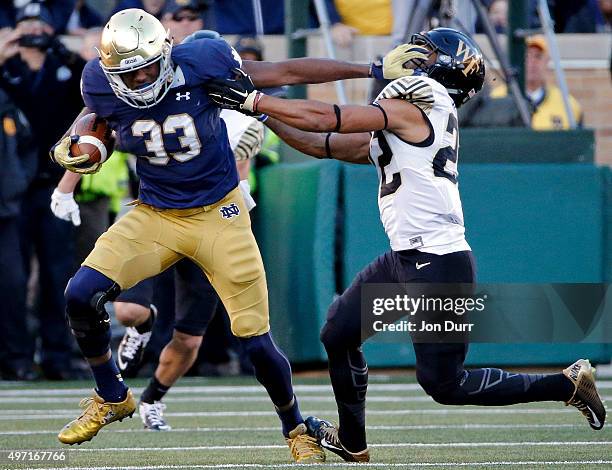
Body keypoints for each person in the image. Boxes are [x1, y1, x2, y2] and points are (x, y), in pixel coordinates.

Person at [206, 27, 607, 463]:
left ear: (441, 66)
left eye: (427, 50)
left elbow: (329, 118)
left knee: (444, 384)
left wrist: (253, 100)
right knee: (338, 333)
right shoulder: (413, 117)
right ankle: (353, 442)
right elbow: (322, 144)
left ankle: (565, 384)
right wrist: (265, 117)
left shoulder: (425, 100)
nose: (414, 54)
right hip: (405, 260)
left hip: (437, 263)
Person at [48, 7, 419, 461]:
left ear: (165, 52)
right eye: (129, 72)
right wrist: (77, 146)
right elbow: (96, 118)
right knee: (80, 294)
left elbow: (284, 69)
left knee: (255, 340)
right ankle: (112, 395)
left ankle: (296, 428)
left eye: (147, 67)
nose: (141, 79)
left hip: (218, 215)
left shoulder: (202, 59)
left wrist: (372, 67)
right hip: (155, 214)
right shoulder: (99, 80)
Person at [0, 2, 86, 380]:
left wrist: (67, 52)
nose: (33, 30)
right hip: (12, 191)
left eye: (40, 24)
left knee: (58, 275)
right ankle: (16, 357)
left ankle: (58, 356)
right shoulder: (8, 71)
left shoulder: (64, 70)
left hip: (55, 186)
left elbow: (94, 96)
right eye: (26, 24)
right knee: (12, 279)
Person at [0, 89, 38, 380]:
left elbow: (27, 146)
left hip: (5, 212)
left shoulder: (6, 102)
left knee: (13, 285)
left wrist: (16, 183)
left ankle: (17, 358)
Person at [488, 35, 583, 130]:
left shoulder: (568, 105)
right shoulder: (494, 100)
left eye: (538, 56)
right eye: (525, 56)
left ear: (546, 61)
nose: (531, 62)